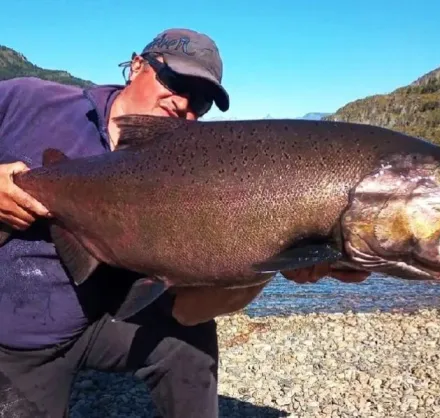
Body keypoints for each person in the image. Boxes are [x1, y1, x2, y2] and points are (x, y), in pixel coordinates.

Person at [0, 28, 368, 417]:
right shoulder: (28, 101)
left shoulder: (199, 172)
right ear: (137, 65)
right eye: (174, 80)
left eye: (202, 99)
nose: (183, 103)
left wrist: (277, 260)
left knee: (192, 346)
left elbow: (190, 310)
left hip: (108, 321)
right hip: (20, 342)